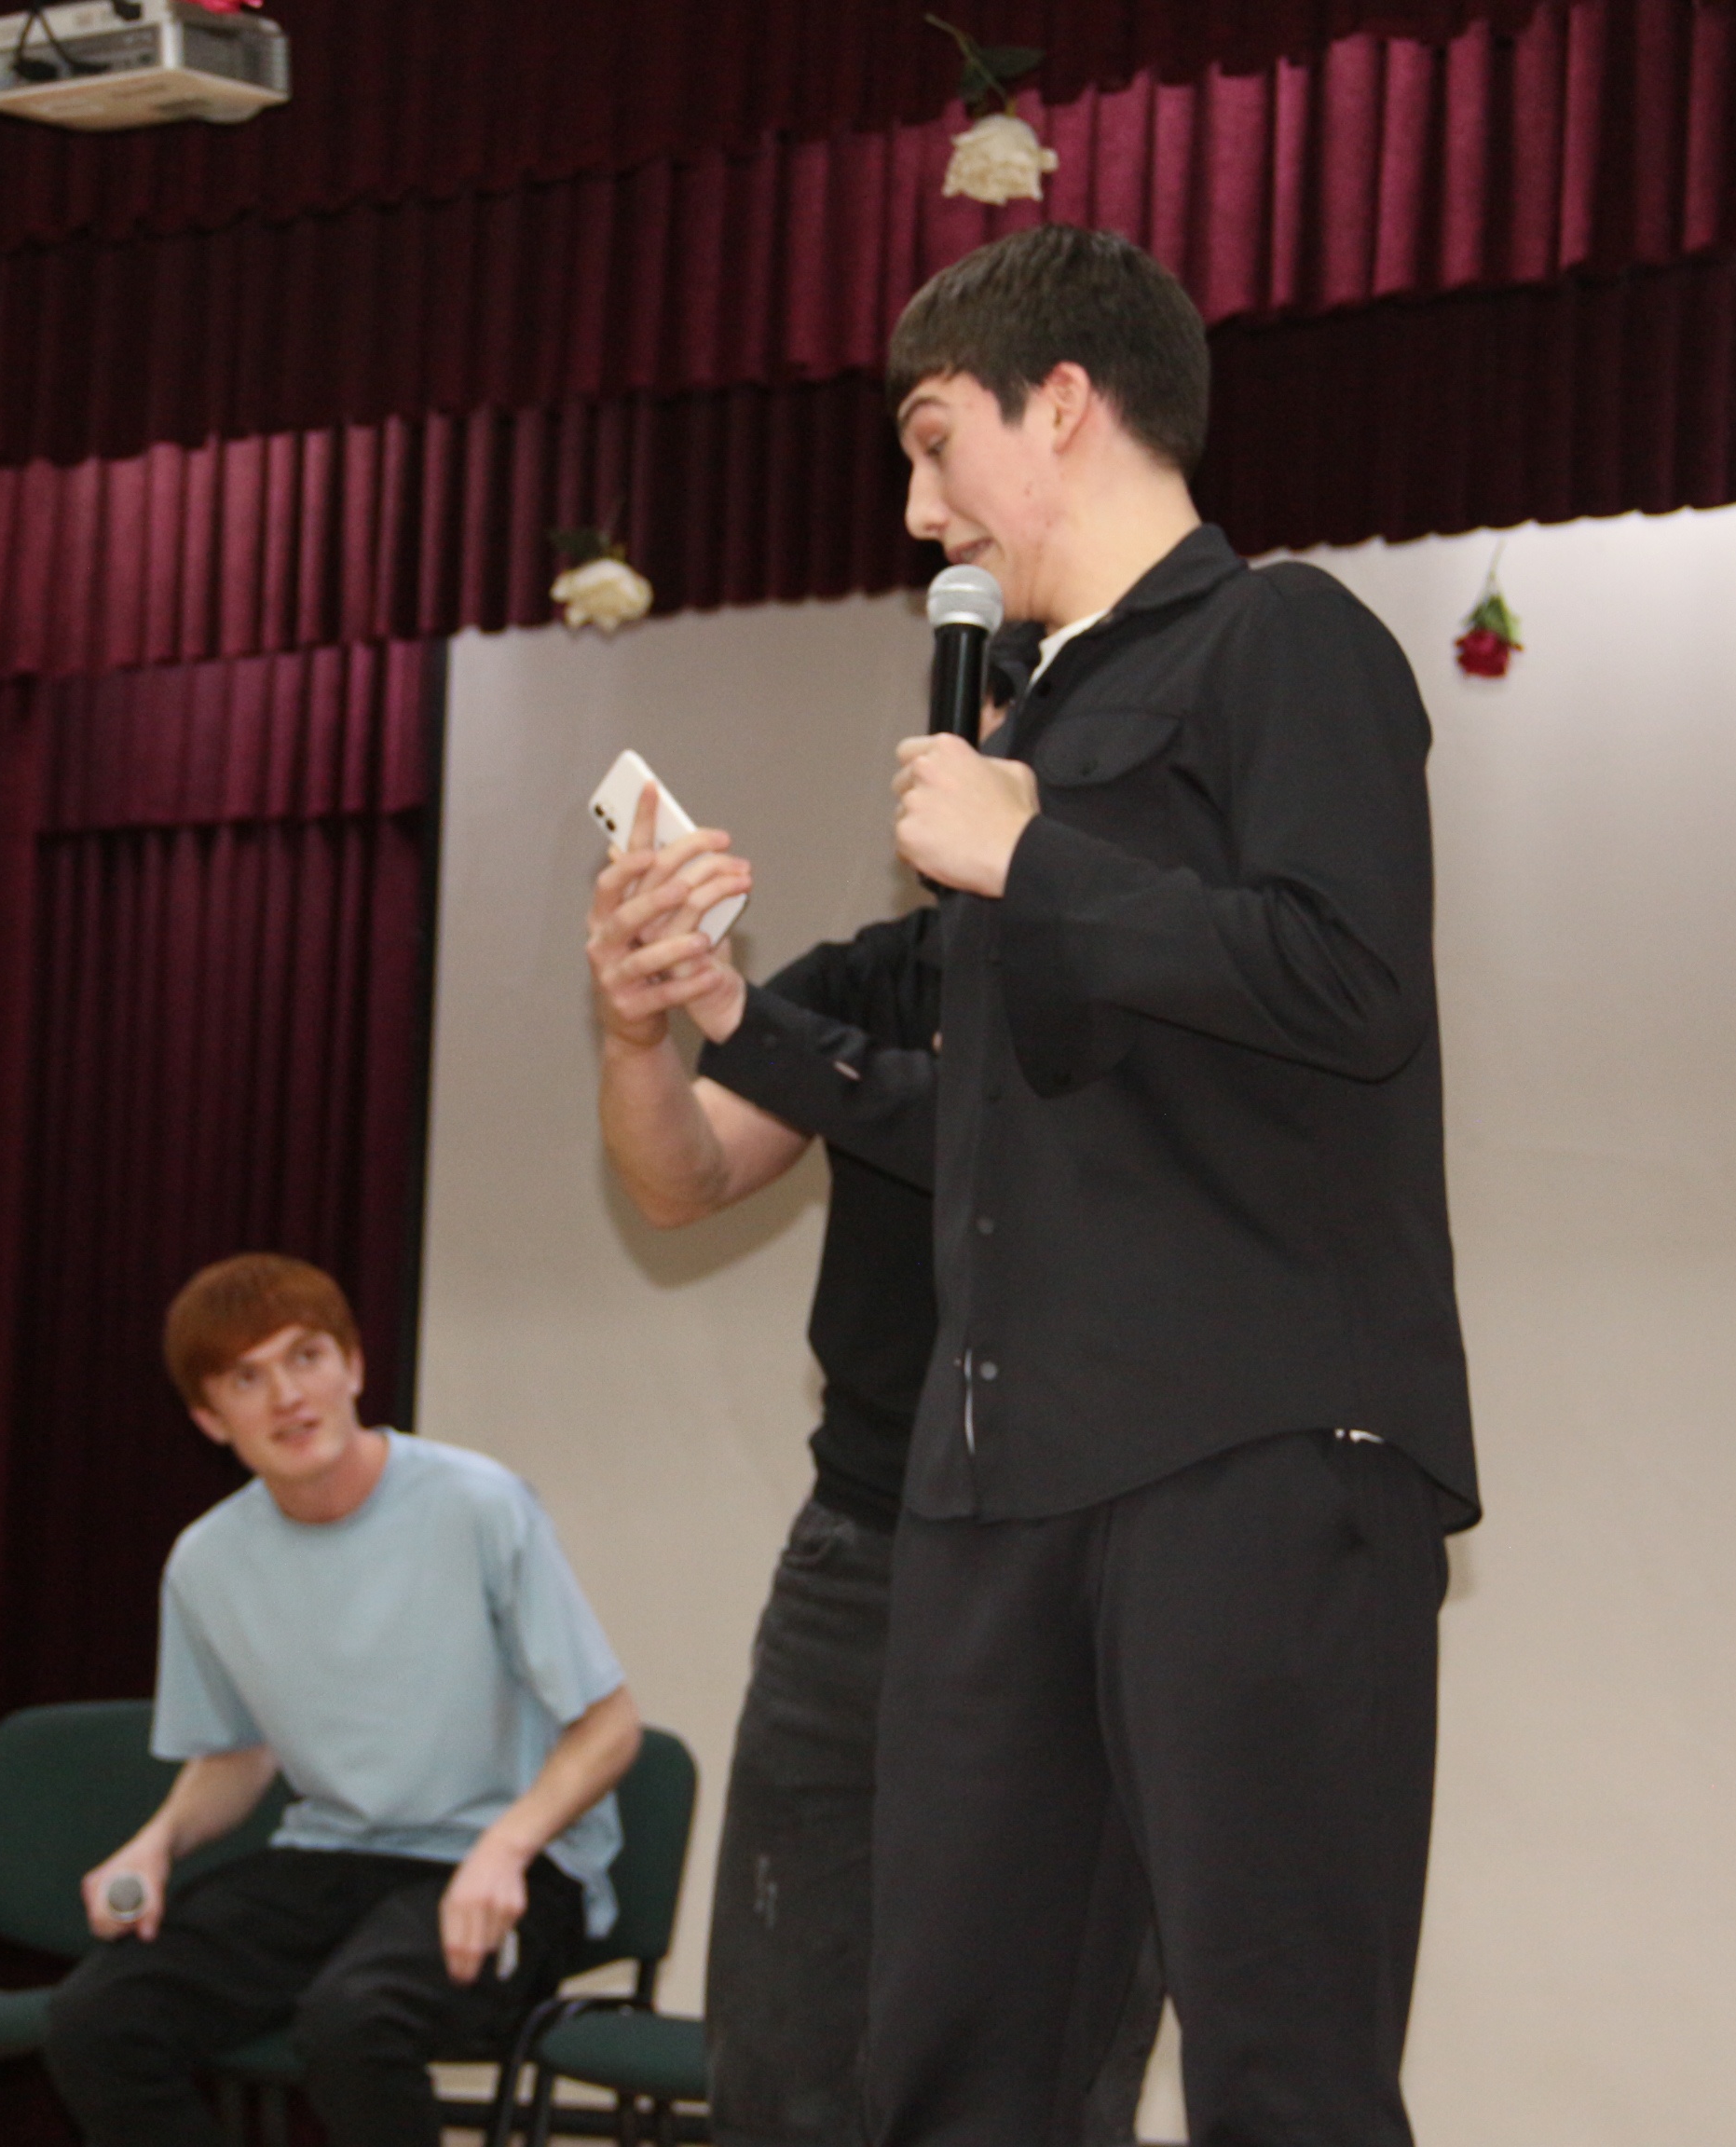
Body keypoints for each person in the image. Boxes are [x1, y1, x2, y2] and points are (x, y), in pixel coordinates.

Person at [868, 225, 1483, 2146]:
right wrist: (718, 1020)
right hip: (1000, 1476)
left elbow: (1352, 980)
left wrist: (1034, 860)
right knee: (959, 2071)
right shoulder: (1019, 725)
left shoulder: (1281, 638)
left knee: (1281, 2070)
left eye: (936, 441)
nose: (921, 512)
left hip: (1254, 1452)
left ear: (1061, 402)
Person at [586, 657, 1165, 2147]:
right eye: (978, 723)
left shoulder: (1155, 985)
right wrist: (640, 1033)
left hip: (1086, 1561)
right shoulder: (868, 980)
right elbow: (684, 1177)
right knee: (788, 2046)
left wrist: (746, 1017)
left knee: (1050, 2062)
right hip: (868, 1545)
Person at [42, 1253, 642, 2147]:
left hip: (507, 1866)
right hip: (331, 1859)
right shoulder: (206, 1561)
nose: (288, 1396)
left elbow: (609, 1725)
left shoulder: (479, 1503)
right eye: (248, 1378)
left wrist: (505, 1847)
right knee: (96, 2023)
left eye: (307, 1357)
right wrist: (157, 1841)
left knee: (354, 2026)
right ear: (210, 1418)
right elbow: (239, 1754)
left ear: (354, 1367)